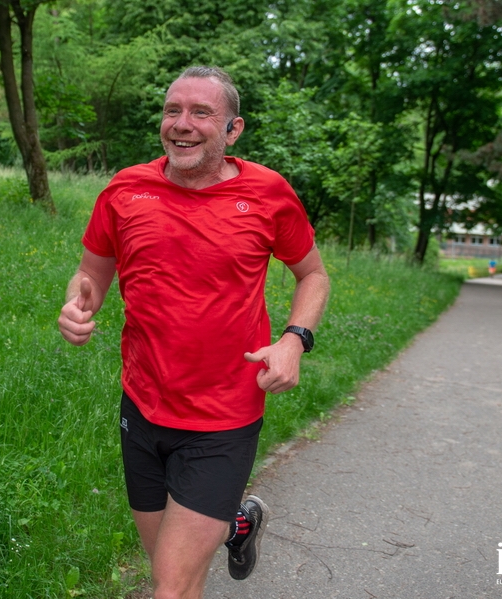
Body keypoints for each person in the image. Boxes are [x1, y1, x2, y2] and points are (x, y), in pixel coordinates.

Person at [58, 66, 330, 599]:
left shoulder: (268, 194)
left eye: (201, 113)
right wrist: (78, 300)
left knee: (170, 587)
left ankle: (223, 524)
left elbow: (313, 274)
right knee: (173, 569)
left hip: (223, 417)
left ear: (232, 130)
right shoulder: (125, 189)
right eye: (172, 110)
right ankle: (236, 525)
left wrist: (294, 339)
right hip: (142, 405)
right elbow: (91, 272)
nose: (181, 124)